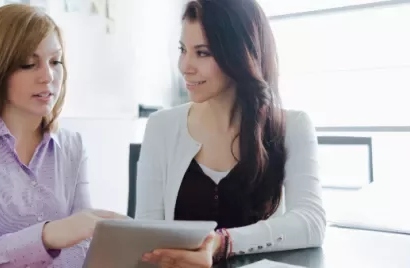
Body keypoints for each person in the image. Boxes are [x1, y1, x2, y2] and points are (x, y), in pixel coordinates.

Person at [0, 4, 126, 268]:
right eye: (29, 64)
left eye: (55, 62)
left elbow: (81, 247)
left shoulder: (73, 146)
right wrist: (48, 236)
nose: (48, 76)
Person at [136, 0, 326, 267]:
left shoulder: (292, 126)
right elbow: (146, 239)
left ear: (239, 54)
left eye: (202, 53)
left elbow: (311, 222)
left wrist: (222, 243)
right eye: (183, 49)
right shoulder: (161, 126)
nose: (185, 66)